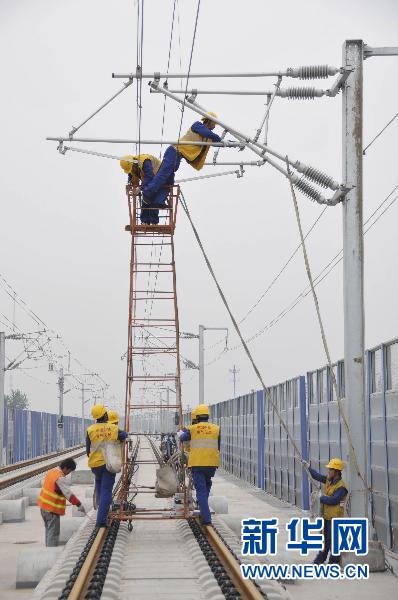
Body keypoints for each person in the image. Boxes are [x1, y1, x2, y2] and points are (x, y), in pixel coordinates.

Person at [141, 113, 222, 201]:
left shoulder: (207, 136)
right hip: (173, 151)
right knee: (163, 174)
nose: (214, 127)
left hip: (178, 156)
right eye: (214, 124)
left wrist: (231, 143)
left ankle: (158, 201)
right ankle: (147, 193)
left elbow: (215, 140)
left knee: (169, 180)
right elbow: (210, 134)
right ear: (209, 121)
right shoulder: (197, 125)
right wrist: (221, 139)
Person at [177, 404, 220, 526]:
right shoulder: (216, 428)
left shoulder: (193, 428)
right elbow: (218, 446)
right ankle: (203, 506)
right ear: (207, 416)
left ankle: (206, 519)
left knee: (201, 490)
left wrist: (180, 432)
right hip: (212, 464)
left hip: (197, 463)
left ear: (196, 417)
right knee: (207, 485)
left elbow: (183, 438)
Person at [86, 404, 128, 527]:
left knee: (99, 486)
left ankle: (101, 509)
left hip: (95, 465)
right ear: (105, 415)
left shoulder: (90, 430)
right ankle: (101, 521)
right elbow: (124, 435)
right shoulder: (113, 428)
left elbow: (88, 450)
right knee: (106, 490)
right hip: (109, 463)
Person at [304, 458, 348, 565]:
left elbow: (334, 500)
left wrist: (321, 497)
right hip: (327, 517)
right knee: (324, 540)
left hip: (335, 519)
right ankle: (319, 560)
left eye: (330, 470)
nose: (328, 472)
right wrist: (308, 467)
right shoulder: (329, 480)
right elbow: (317, 476)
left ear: (336, 472)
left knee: (334, 542)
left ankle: (333, 563)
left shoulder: (341, 487)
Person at [37, 458, 85, 546]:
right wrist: (79, 504)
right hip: (51, 509)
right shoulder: (60, 477)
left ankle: (48, 550)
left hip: (43, 507)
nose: (68, 474)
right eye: (69, 471)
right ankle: (51, 554)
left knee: (48, 530)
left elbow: (55, 488)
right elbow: (68, 494)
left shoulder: (52, 472)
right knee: (53, 533)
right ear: (66, 468)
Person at [120, 153, 164, 225]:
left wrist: (140, 188)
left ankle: (153, 221)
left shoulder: (145, 161)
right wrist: (130, 187)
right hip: (151, 180)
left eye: (132, 168)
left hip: (159, 176)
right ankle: (145, 221)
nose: (132, 170)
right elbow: (133, 179)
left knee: (150, 195)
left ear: (134, 163)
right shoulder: (133, 167)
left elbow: (150, 177)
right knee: (146, 196)